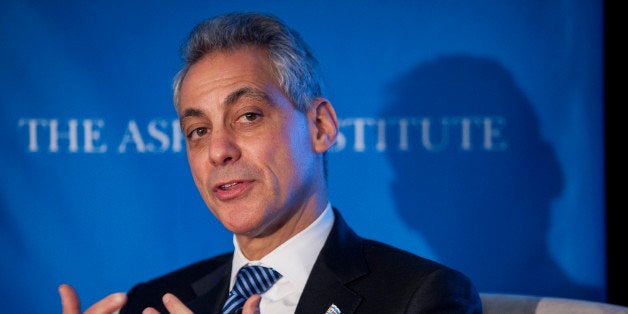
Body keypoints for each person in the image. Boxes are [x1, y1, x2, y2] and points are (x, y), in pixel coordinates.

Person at [58, 12, 483, 314]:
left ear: (319, 126)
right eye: (198, 131)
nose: (218, 151)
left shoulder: (420, 298)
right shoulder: (154, 302)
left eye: (248, 116)